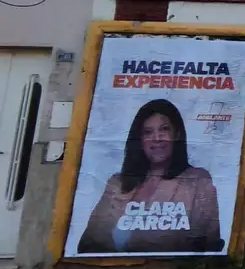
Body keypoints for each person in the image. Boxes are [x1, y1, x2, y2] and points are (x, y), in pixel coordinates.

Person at [77, 99, 225, 254]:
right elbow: (89, 242)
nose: (157, 138)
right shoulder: (117, 183)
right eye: (148, 132)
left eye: (164, 129)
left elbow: (207, 245)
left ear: (177, 135)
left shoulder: (198, 181)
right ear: (140, 141)